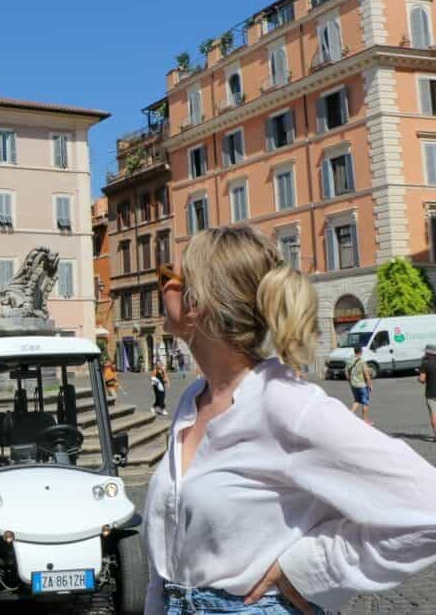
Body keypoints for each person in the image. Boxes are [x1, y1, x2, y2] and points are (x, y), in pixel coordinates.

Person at [146, 225, 436, 615]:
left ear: (198, 303)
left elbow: (427, 508)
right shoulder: (190, 400)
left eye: (169, 278)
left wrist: (309, 569)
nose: (161, 289)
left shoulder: (286, 405)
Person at [346, 345, 374, 425]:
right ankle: (365, 420)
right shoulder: (362, 361)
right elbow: (366, 374)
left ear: (354, 351)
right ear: (361, 351)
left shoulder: (349, 360)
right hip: (362, 385)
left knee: (357, 400)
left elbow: (346, 373)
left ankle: (349, 415)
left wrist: (350, 382)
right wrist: (370, 384)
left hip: (353, 384)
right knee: (365, 402)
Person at [420, 344, 436, 442]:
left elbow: (422, 379)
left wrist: (420, 379)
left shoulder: (425, 364)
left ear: (428, 353)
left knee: (434, 414)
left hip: (431, 393)